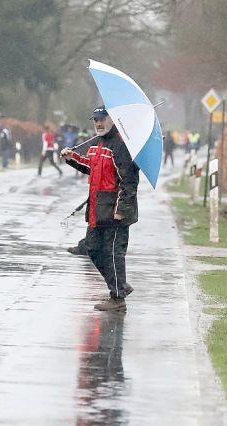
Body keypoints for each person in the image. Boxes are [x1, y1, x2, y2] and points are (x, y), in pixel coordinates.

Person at [62, 105, 138, 311]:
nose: (98, 123)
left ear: (113, 120)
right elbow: (90, 167)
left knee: (114, 253)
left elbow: (128, 181)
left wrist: (121, 209)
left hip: (115, 212)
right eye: (95, 119)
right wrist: (72, 158)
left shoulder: (122, 146)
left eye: (102, 119)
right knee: (93, 249)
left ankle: (117, 298)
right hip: (96, 210)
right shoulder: (95, 144)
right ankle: (119, 285)